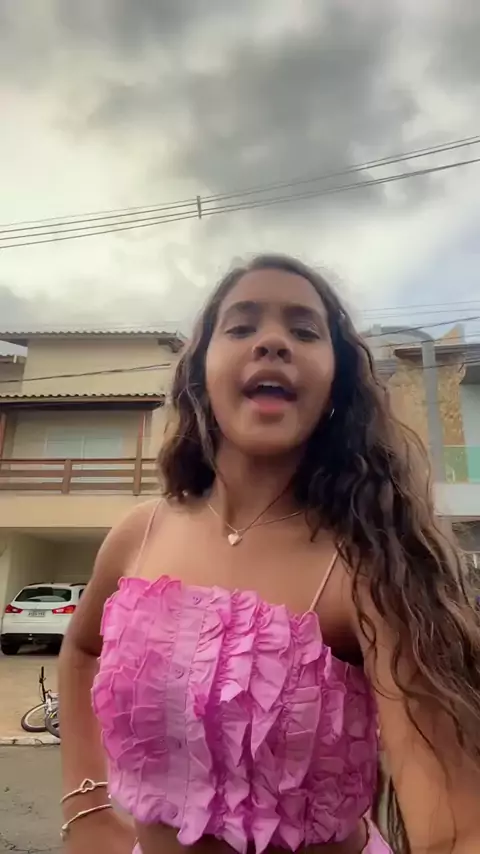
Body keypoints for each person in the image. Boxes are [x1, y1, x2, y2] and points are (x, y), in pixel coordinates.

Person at [59, 254, 480, 854]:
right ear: (201, 373)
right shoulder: (138, 534)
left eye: (304, 331)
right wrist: (87, 808)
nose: (273, 341)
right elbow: (81, 649)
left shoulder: (372, 563)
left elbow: (456, 827)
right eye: (242, 326)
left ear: (336, 384)